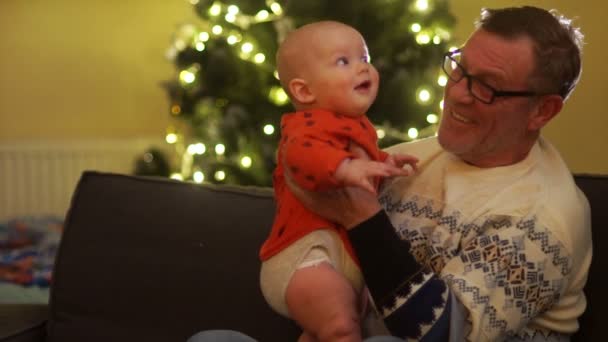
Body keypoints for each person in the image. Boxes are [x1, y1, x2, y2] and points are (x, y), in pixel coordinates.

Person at [188, 5, 591, 342]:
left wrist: (359, 214)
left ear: (542, 111)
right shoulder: (407, 158)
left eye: (487, 86)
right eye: (459, 69)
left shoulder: (542, 219)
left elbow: (441, 335)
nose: (457, 94)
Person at [258, 21, 418, 342]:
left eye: (364, 58)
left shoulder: (358, 125)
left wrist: (385, 162)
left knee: (329, 330)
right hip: (305, 256)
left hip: (343, 258)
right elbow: (304, 157)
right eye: (344, 62)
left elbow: (363, 159)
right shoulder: (305, 126)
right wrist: (346, 169)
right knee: (341, 328)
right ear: (304, 91)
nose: (363, 69)